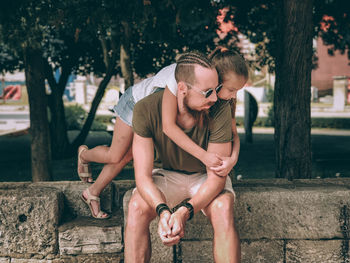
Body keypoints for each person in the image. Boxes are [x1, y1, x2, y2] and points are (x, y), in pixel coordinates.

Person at [78, 48, 248, 219]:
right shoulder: (178, 82)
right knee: (115, 155)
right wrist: (204, 156)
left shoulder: (216, 96)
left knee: (129, 153)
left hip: (149, 112)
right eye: (231, 90)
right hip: (135, 102)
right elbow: (169, 127)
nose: (234, 96)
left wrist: (232, 160)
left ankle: (92, 192)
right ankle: (84, 155)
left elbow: (233, 134)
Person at [124, 51, 242, 262]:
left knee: (223, 207)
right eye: (207, 92)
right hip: (167, 175)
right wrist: (163, 211)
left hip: (205, 178)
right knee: (136, 207)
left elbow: (216, 178)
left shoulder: (219, 108)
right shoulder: (145, 109)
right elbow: (142, 178)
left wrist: (183, 212)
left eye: (216, 90)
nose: (215, 98)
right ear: (182, 88)